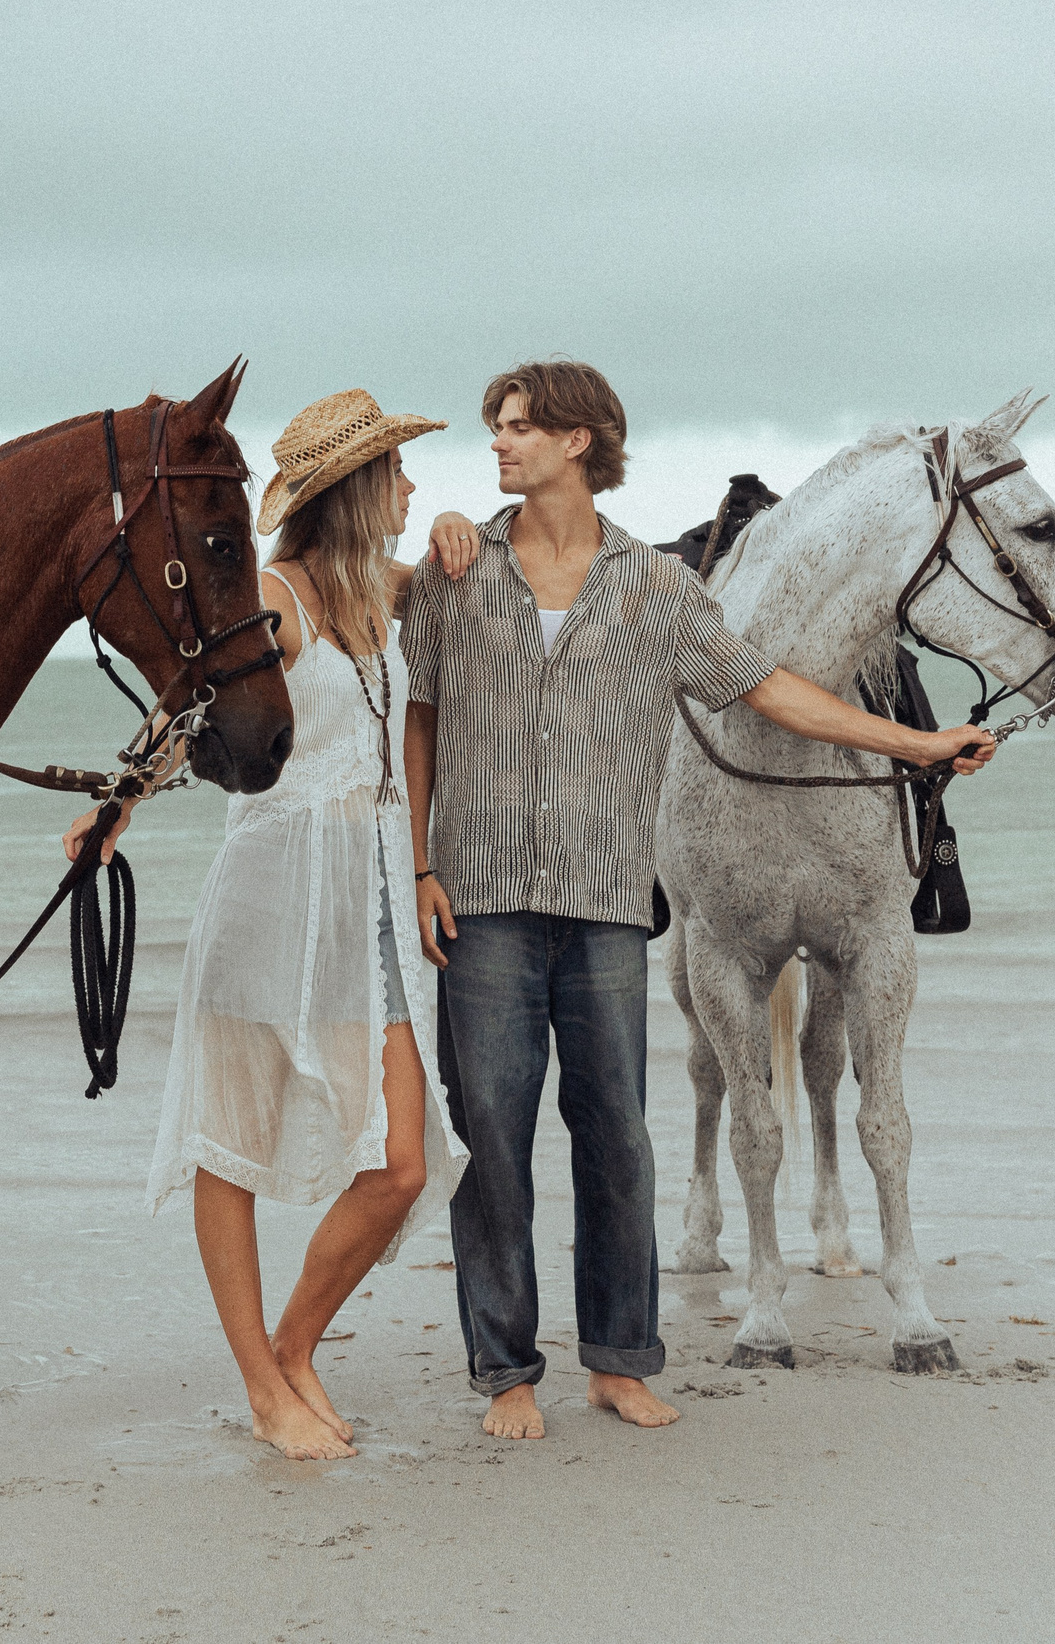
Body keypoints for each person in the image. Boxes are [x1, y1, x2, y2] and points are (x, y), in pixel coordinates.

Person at [401, 359, 1000, 1442]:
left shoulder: (660, 590)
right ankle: (507, 1373)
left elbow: (769, 689)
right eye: (497, 426)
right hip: (481, 895)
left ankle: (622, 1361)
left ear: (580, 442)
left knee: (615, 1133)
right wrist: (419, 864)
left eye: (520, 426)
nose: (499, 442)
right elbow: (421, 719)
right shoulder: (453, 570)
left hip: (605, 898)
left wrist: (918, 742)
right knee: (491, 1137)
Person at [66, 389, 482, 1460]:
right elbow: (184, 713)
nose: (412, 486)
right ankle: (261, 1382)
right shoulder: (270, 596)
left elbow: (462, 562)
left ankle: (296, 1345)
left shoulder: (375, 594)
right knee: (232, 1141)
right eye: (398, 473)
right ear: (354, 489)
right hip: (273, 889)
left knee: (399, 1160)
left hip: (372, 895)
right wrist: (117, 806)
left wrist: (456, 533)